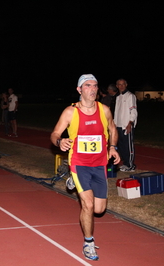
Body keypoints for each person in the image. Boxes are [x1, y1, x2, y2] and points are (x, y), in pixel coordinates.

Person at [50, 74, 120, 261]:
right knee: (87, 205)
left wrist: (112, 147)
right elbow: (55, 133)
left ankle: (76, 182)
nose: (93, 89)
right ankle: (88, 242)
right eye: (88, 85)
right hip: (79, 163)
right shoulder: (70, 112)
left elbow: (113, 129)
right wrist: (60, 141)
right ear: (79, 90)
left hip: (99, 165)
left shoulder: (104, 110)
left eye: (95, 86)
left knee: (99, 209)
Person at [114, 78, 138, 172]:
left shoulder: (130, 96)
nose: (121, 86)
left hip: (126, 126)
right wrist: (114, 125)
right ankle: (125, 163)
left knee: (128, 146)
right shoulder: (118, 97)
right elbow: (116, 112)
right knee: (121, 147)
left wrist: (130, 123)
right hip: (118, 125)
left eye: (123, 84)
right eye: (119, 84)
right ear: (117, 86)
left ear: (126, 84)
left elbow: (133, 111)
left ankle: (131, 165)